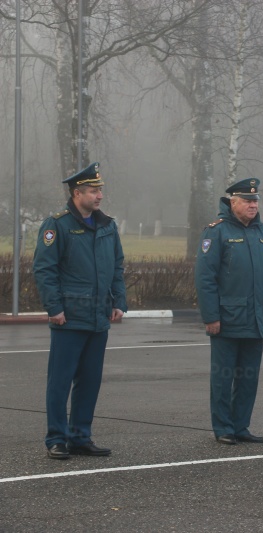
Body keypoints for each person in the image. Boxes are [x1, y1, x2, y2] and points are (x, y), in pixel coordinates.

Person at [33, 162, 127, 460]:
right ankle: (56, 439)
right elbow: (44, 269)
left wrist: (119, 301)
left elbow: (117, 266)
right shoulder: (57, 225)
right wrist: (54, 307)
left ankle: (80, 437)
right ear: (77, 193)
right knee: (60, 381)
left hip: (98, 317)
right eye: (93, 190)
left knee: (89, 380)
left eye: (100, 190)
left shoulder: (107, 225)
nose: (99, 196)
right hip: (70, 317)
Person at [195, 178, 263, 445]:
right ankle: (223, 427)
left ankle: (241, 425)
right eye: (247, 200)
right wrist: (211, 316)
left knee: (248, 378)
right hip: (227, 319)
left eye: (255, 200)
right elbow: (205, 278)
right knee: (223, 377)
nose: (253, 205)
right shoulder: (216, 232)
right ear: (233, 203)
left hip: (255, 319)